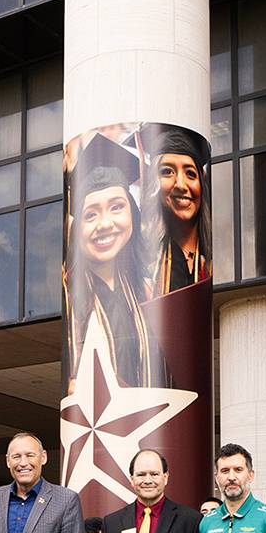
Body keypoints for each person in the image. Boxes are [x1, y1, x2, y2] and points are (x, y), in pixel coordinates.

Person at [64, 133, 160, 388]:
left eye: (117, 207)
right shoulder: (70, 299)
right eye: (91, 214)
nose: (105, 224)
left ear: (133, 214)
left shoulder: (147, 292)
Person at [147, 128, 210, 295]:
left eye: (190, 173)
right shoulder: (142, 266)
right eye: (167, 172)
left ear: (201, 185)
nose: (181, 185)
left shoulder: (216, 260)